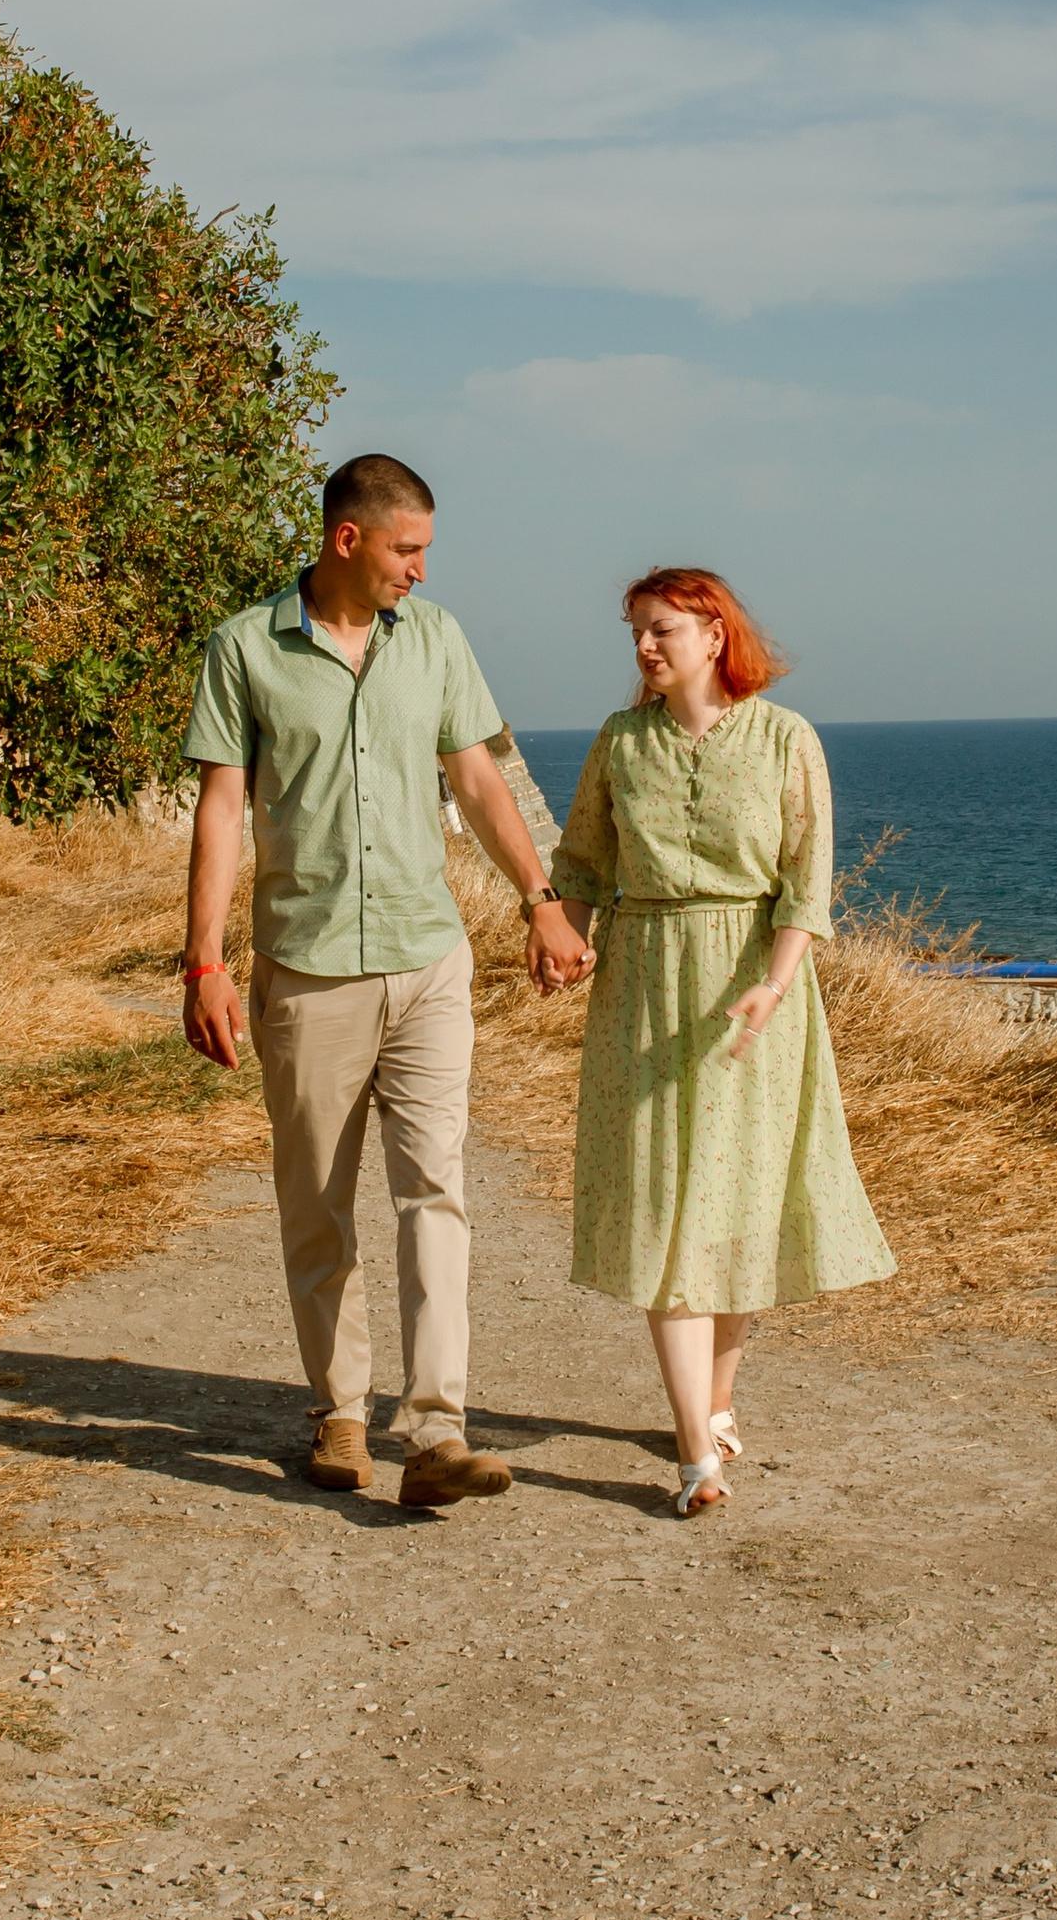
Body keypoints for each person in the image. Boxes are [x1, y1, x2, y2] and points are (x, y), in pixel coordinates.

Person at [181, 453, 592, 1508]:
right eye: (407, 549)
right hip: (308, 971)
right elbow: (222, 810)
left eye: (426, 551)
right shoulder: (243, 648)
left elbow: (477, 777)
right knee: (316, 1204)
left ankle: (438, 1432)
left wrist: (538, 899)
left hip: (428, 961)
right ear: (348, 540)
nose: (420, 569)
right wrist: (205, 960)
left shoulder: (437, 638)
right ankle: (338, 1414)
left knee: (434, 1191)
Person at [549, 566, 893, 1515]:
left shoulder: (787, 739)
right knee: (666, 1207)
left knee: (736, 1202)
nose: (644, 649)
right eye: (636, 635)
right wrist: (565, 933)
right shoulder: (621, 742)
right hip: (646, 984)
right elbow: (582, 858)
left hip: (755, 991)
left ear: (714, 633)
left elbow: (805, 887)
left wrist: (774, 986)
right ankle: (698, 1453)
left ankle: (719, 1402)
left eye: (661, 631)